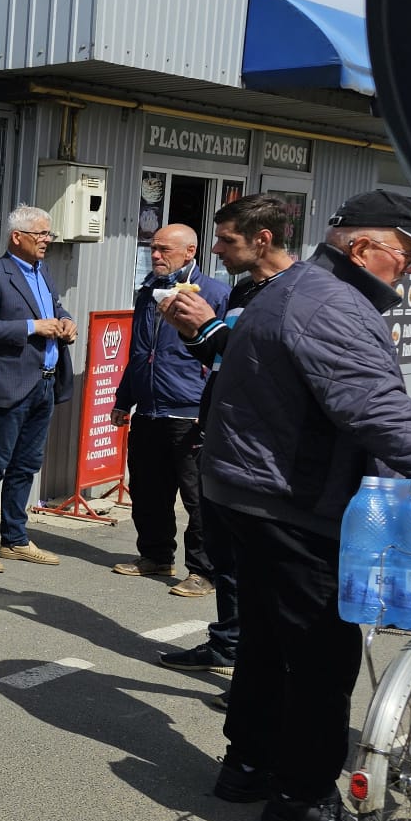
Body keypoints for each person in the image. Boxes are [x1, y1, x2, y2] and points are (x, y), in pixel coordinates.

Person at [196, 189, 411, 821]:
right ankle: (301, 795)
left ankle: (247, 767)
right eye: (404, 254)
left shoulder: (310, 287)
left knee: (269, 638)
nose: (409, 269)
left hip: (250, 490)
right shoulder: (329, 303)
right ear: (361, 248)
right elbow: (375, 410)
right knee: (322, 655)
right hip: (285, 500)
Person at [156, 204, 301, 683]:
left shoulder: (297, 293)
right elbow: (227, 361)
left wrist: (212, 328)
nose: (215, 249)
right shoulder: (245, 289)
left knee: (260, 569)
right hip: (220, 433)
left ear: (262, 239)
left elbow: (266, 364)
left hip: (264, 453)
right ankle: (228, 645)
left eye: (226, 241)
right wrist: (192, 332)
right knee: (229, 559)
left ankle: (258, 677)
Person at [109, 224, 229, 596]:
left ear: (190, 252)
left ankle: (203, 571)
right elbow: (139, 350)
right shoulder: (148, 292)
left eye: (164, 250)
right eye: (152, 248)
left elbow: (223, 356)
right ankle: (156, 555)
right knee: (147, 489)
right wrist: (122, 399)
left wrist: (208, 408)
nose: (156, 255)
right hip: (148, 409)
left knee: (196, 497)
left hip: (188, 411)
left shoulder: (214, 293)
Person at [0, 204, 76, 572]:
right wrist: (31, 327)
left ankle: (15, 539)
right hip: (10, 384)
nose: (47, 240)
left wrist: (66, 322)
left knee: (26, 465)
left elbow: (55, 308)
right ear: (17, 237)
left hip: (45, 383)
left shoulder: (43, 271)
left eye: (48, 234)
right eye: (41, 234)